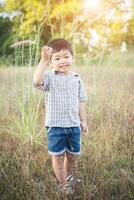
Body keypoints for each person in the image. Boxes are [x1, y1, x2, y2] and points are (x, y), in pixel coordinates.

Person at [33, 38, 88, 195]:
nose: (62, 61)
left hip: (73, 125)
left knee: (71, 156)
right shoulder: (50, 77)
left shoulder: (77, 78)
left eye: (66, 57)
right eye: (57, 58)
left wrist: (83, 120)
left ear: (72, 57)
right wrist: (43, 61)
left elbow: (81, 100)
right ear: (51, 62)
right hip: (56, 126)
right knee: (57, 156)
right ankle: (63, 184)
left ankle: (69, 177)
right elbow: (37, 81)